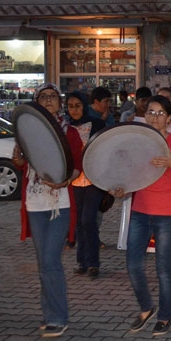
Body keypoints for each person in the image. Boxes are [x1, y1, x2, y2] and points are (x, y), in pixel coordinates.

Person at [109, 95, 171, 336]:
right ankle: (147, 307)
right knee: (133, 264)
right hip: (140, 211)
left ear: (168, 118)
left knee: (163, 268)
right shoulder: (138, 143)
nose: (154, 117)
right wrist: (119, 188)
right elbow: (127, 175)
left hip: (167, 214)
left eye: (159, 113)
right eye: (150, 112)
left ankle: (165, 316)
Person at [12, 83, 82, 338]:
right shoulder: (27, 132)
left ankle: (57, 317)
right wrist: (18, 158)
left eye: (53, 97)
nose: (49, 100)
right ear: (37, 102)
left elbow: (78, 164)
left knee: (51, 260)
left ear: (59, 103)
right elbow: (21, 164)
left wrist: (66, 180)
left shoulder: (69, 132)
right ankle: (50, 312)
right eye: (44, 97)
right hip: (35, 203)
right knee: (44, 262)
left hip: (60, 204)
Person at [64, 91, 106, 278]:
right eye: (71, 106)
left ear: (84, 106)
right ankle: (83, 261)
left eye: (78, 105)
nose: (74, 110)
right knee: (79, 222)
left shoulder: (96, 124)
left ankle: (93, 262)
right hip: (74, 181)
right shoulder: (65, 128)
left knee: (88, 220)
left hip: (94, 178)